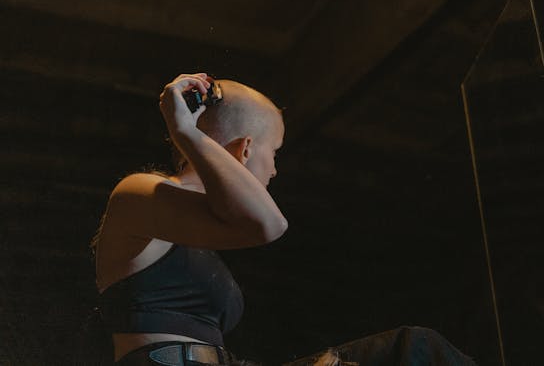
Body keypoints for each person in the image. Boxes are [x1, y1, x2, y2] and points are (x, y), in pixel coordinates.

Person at [92, 73, 476, 365]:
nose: (274, 170)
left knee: (415, 352)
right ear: (245, 149)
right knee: (414, 349)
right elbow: (267, 225)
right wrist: (184, 131)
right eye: (274, 152)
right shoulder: (137, 193)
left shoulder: (193, 227)